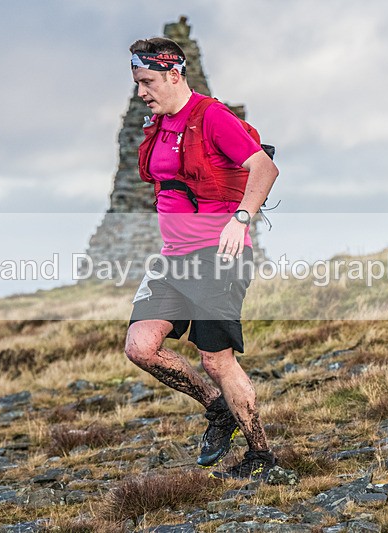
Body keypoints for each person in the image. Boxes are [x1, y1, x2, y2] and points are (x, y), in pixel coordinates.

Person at [123, 37, 280, 481]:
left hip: (219, 255)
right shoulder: (159, 125)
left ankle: (261, 457)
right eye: (137, 83)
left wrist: (241, 218)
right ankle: (218, 409)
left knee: (217, 360)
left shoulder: (211, 117)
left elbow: (264, 169)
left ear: (174, 74)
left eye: (147, 82)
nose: (141, 93)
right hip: (174, 259)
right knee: (140, 347)